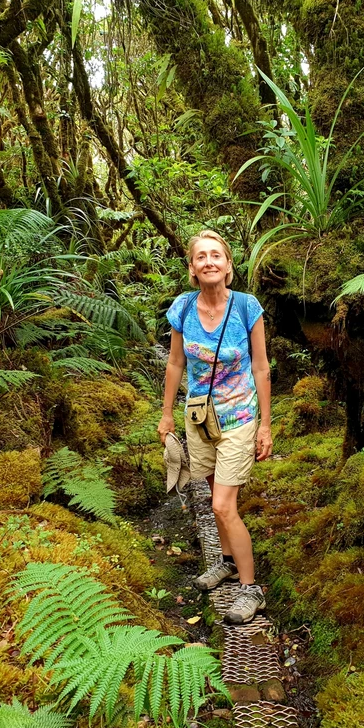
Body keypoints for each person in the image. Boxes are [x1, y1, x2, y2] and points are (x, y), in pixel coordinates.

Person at [157, 230, 272, 625]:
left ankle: (249, 588)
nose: (209, 262)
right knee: (208, 494)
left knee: (224, 505)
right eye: (201, 256)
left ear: (228, 265)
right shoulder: (183, 309)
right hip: (198, 417)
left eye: (216, 256)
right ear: (191, 267)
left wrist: (265, 426)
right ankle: (224, 562)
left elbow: (261, 367)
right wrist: (167, 413)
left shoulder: (246, 307)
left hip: (239, 416)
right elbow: (175, 363)